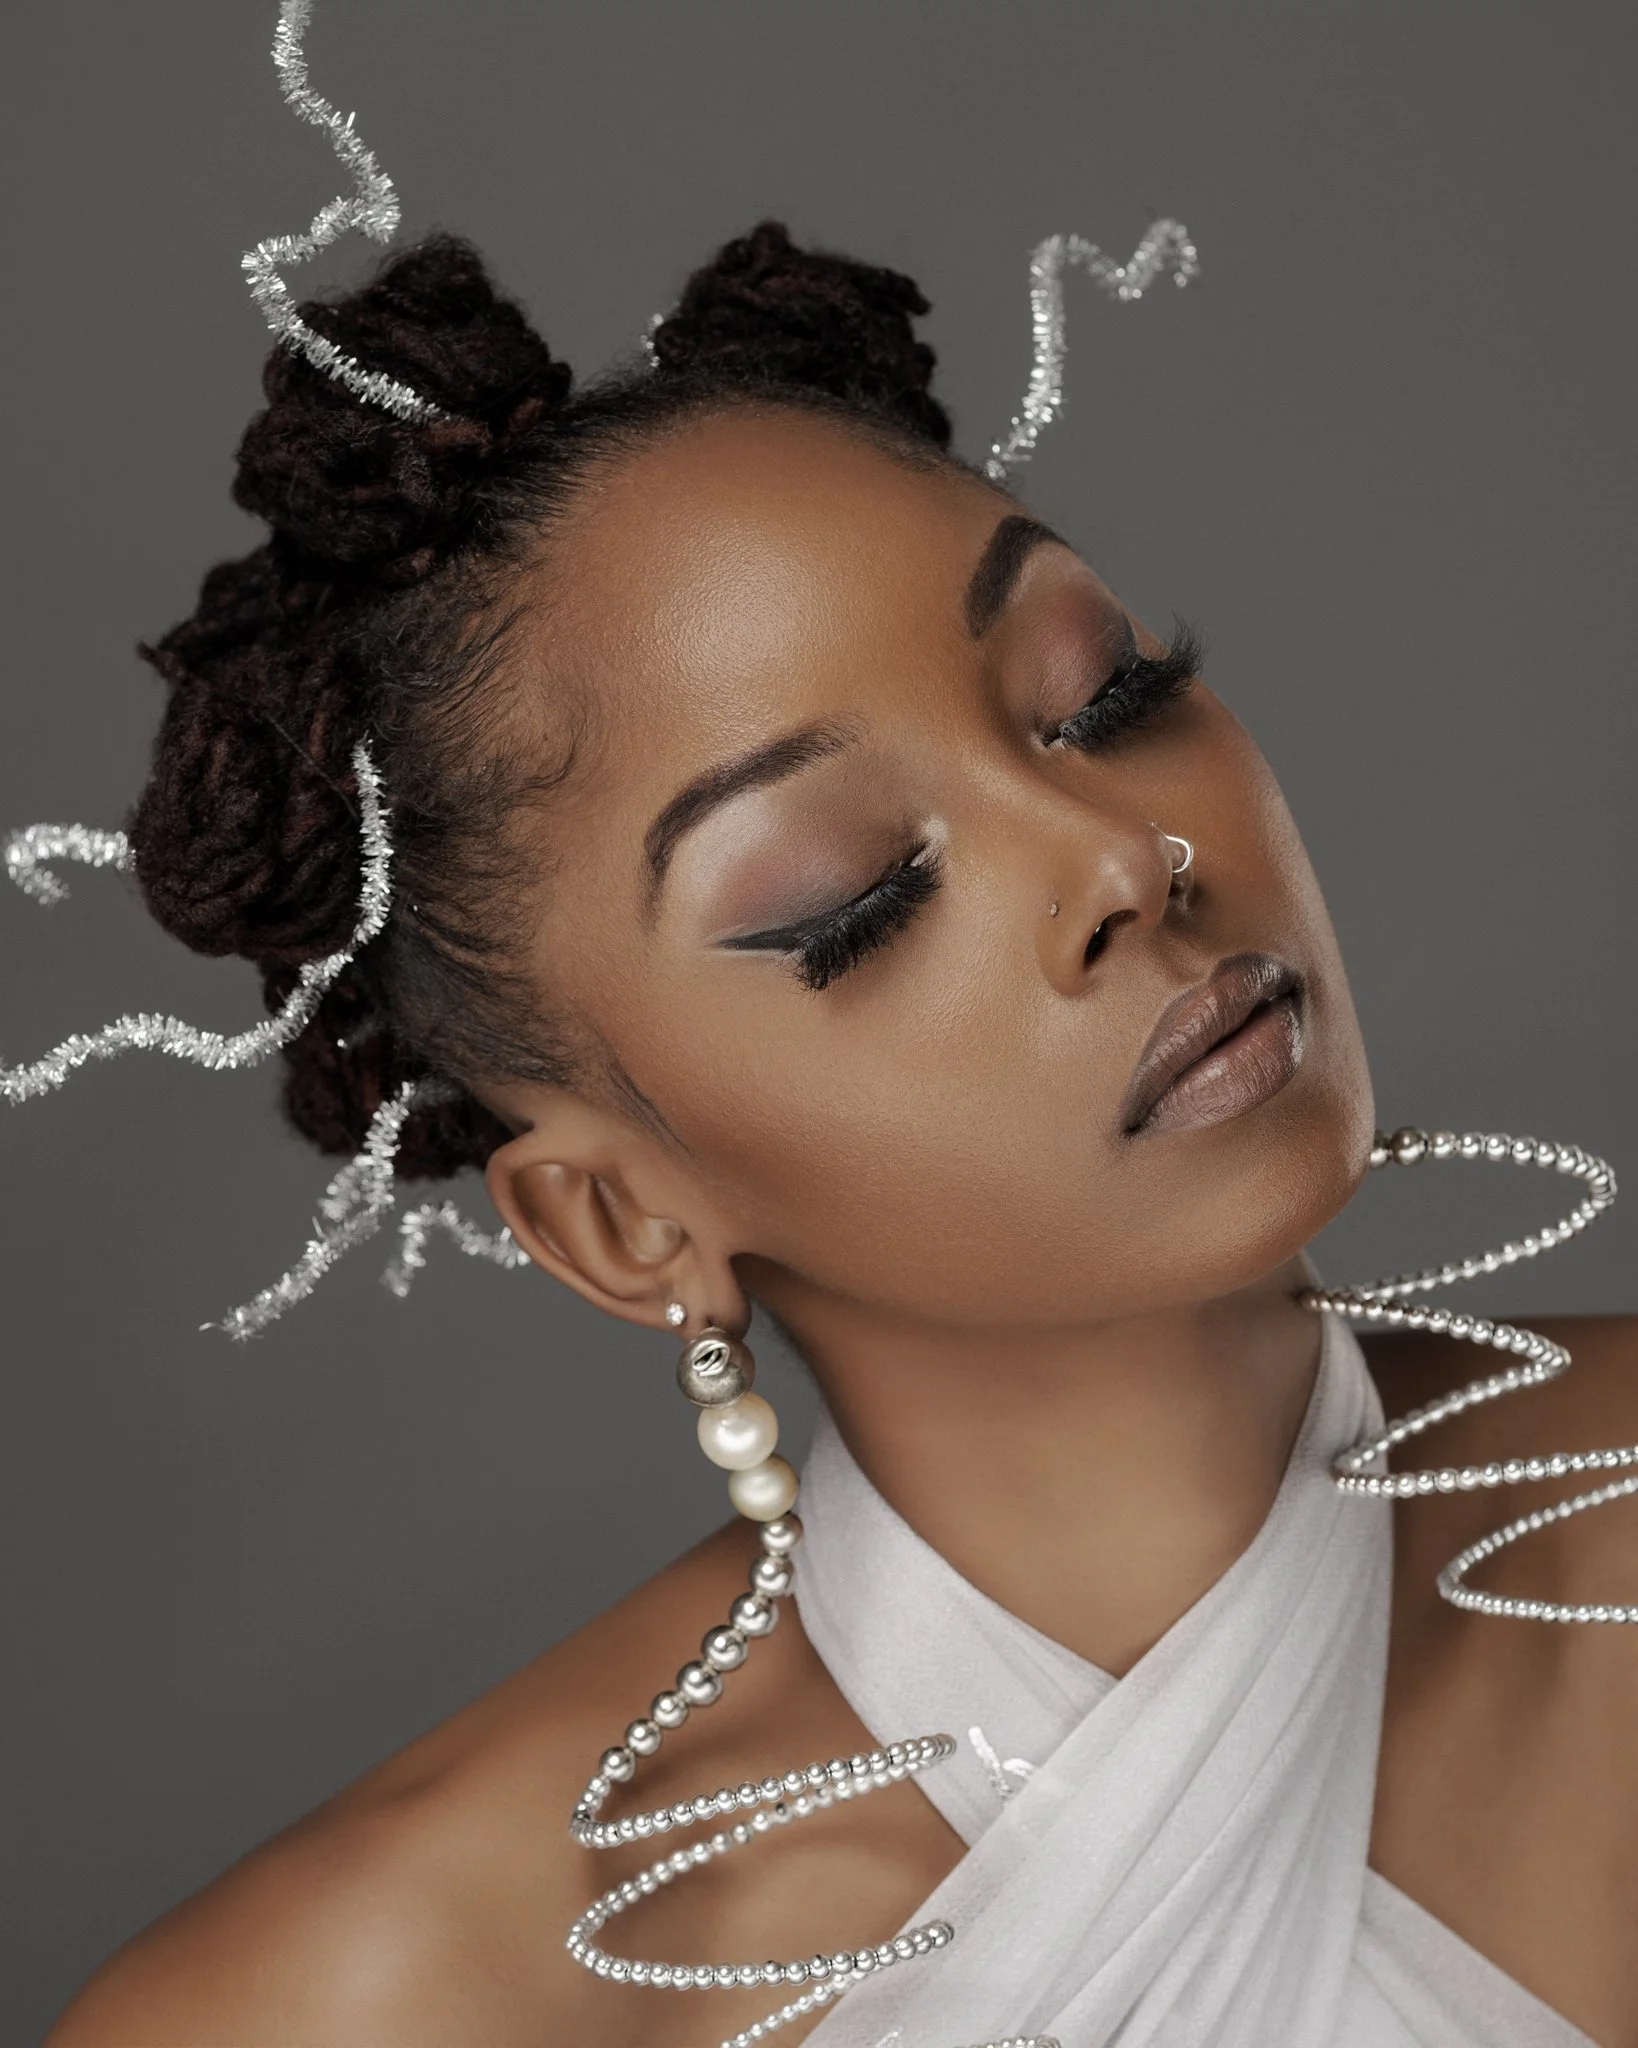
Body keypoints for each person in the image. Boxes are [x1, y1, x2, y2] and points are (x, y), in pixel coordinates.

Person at [20, 40, 1634, 2048]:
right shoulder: (366, 2005)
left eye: (1105, 695)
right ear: (617, 1220)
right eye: (854, 895)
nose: (1119, 858)